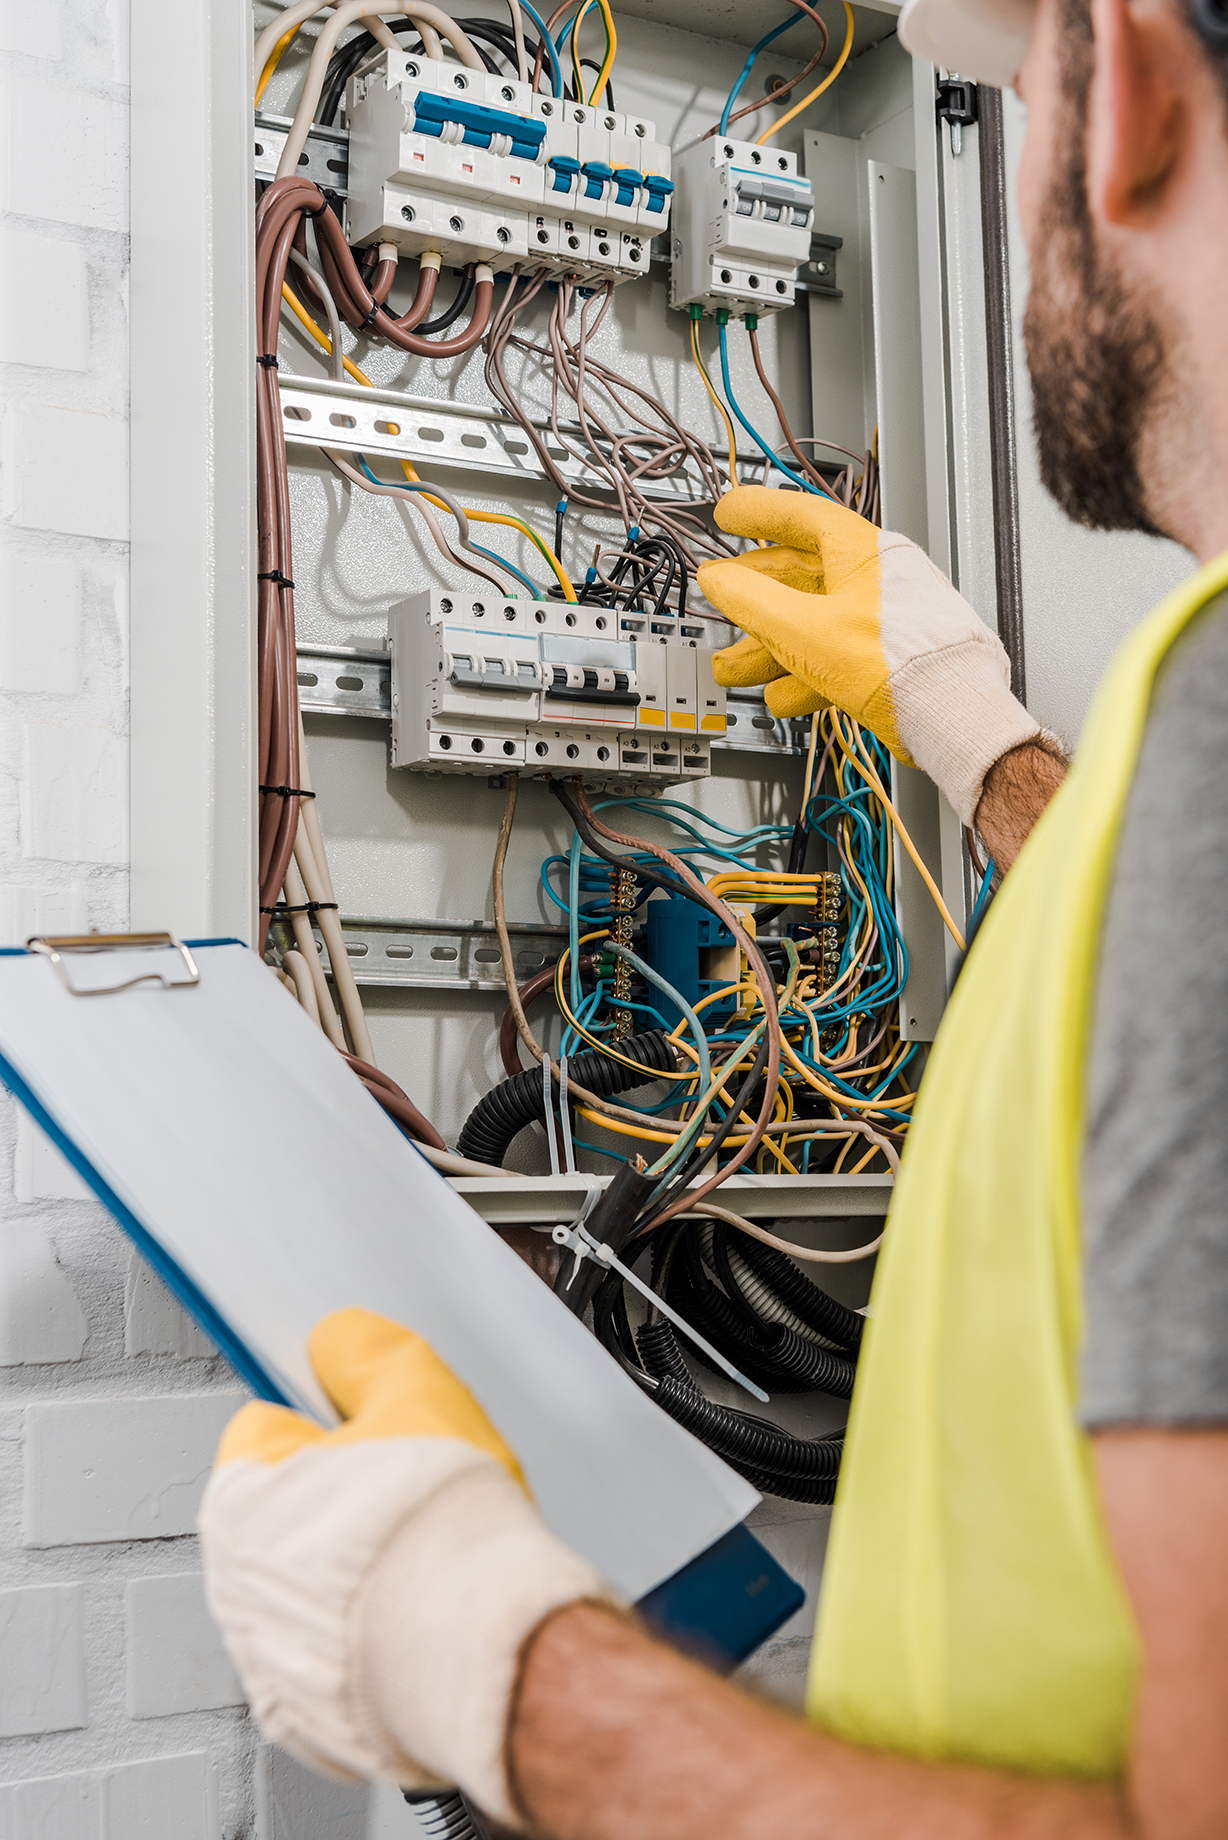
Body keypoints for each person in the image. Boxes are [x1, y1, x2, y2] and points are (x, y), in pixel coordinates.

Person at [199, 0, 1228, 1829]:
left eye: (1020, 89)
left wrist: (511, 1670)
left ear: (1129, 84)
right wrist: (976, 734)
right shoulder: (1186, 699)